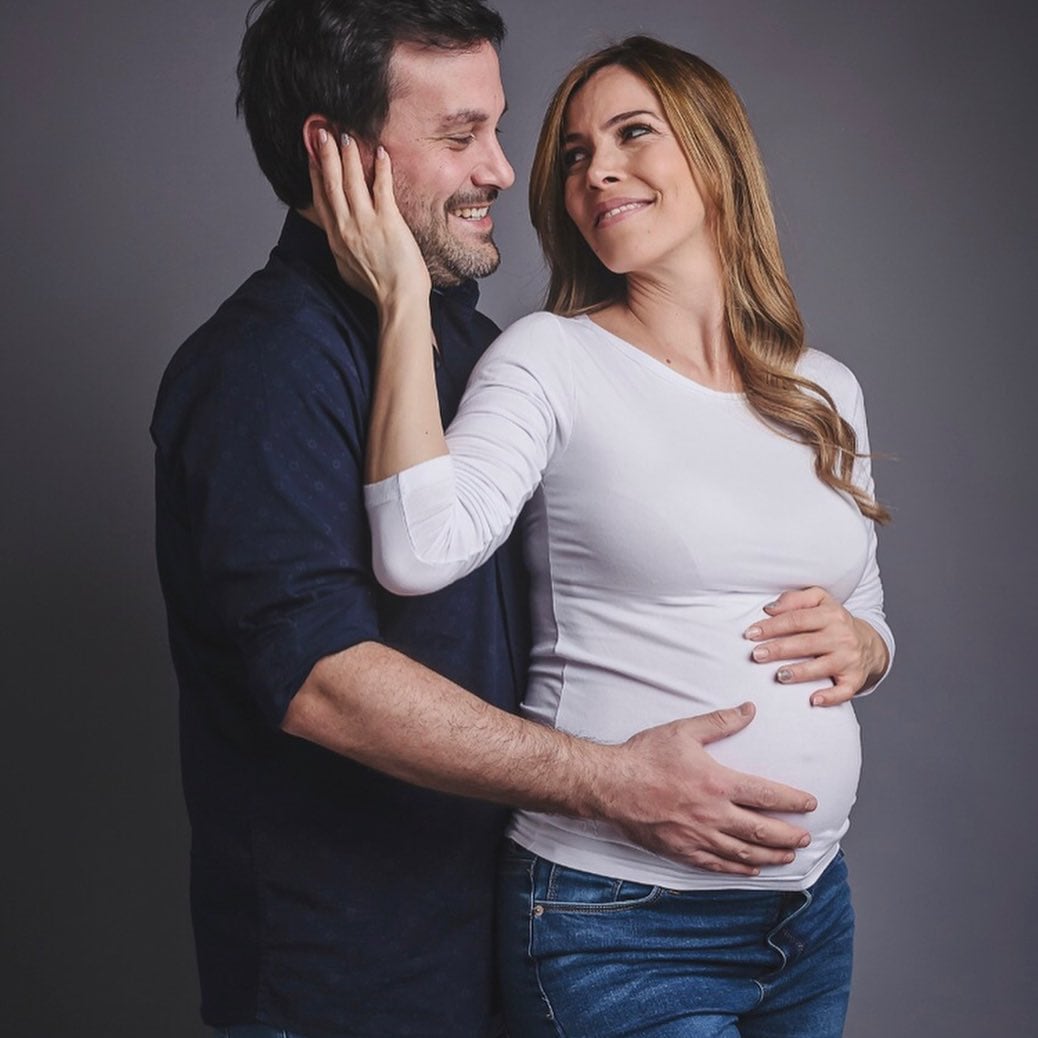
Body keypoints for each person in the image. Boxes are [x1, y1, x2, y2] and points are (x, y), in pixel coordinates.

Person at [152, 6, 826, 1037]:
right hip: (345, 984)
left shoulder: (482, 349)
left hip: (514, 943)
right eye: (460, 136)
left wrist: (858, 631)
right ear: (337, 154)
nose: (504, 172)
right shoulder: (265, 368)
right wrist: (609, 784)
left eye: (500, 132)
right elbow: (322, 682)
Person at [309, 33, 894, 1038]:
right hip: (621, 917)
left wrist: (871, 647)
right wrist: (403, 297)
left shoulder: (822, 388)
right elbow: (418, 548)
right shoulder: (553, 359)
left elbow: (862, 599)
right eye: (575, 155)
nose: (599, 170)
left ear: (717, 155)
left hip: (807, 914)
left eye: (632, 134)